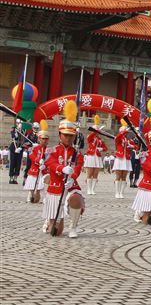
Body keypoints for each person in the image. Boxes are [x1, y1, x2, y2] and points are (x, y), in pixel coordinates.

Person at [42, 102, 85, 238]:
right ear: (60, 135)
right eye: (65, 135)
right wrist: (62, 168)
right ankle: (49, 221)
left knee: (76, 199)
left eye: (71, 135)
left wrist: (72, 179)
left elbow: (77, 168)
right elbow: (51, 163)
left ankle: (73, 227)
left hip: (70, 186)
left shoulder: (77, 153)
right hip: (56, 188)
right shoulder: (52, 150)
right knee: (56, 232)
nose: (68, 138)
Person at [24, 120, 50, 203]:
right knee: (32, 184)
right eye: (43, 139)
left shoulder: (49, 150)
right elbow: (32, 156)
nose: (45, 140)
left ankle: (45, 198)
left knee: (43, 185)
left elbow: (50, 159)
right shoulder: (34, 148)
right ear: (39, 139)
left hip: (43, 170)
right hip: (35, 169)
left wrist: (45, 164)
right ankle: (30, 195)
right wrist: (38, 161)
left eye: (46, 139)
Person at [84, 118, 108, 195]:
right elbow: (90, 137)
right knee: (89, 173)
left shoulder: (100, 140)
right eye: (96, 131)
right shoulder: (90, 137)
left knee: (95, 174)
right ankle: (88, 189)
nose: (98, 133)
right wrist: (95, 130)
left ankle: (92, 189)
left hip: (97, 156)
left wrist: (101, 149)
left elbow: (105, 148)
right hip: (91, 156)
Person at [112, 123, 135, 199]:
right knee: (118, 176)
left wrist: (132, 146)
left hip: (126, 158)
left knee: (124, 177)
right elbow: (118, 137)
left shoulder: (127, 140)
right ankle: (117, 192)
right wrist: (124, 131)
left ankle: (121, 193)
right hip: (119, 158)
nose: (126, 133)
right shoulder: (118, 138)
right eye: (125, 132)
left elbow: (136, 146)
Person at [8, 119, 26, 184]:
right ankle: (11, 177)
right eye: (18, 123)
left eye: (20, 124)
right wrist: (17, 131)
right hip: (13, 148)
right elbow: (13, 136)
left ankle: (15, 178)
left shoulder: (24, 131)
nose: (19, 125)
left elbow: (24, 139)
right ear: (16, 124)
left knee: (18, 164)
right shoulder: (13, 130)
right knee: (12, 163)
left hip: (20, 148)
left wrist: (21, 147)